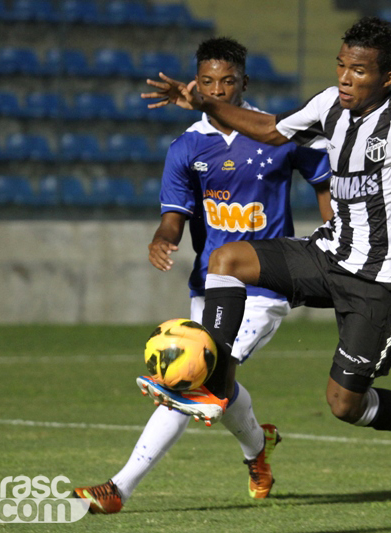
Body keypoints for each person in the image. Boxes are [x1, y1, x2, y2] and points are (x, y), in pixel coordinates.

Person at [140, 16, 391, 492]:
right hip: (329, 254)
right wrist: (206, 102)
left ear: (386, 78)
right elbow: (270, 130)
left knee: (344, 405)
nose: (345, 79)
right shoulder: (330, 103)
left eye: (359, 71)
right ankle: (212, 377)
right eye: (341, 66)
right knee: (227, 259)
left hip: (381, 281)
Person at [73, 36, 332, 514]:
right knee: (217, 382)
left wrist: (332, 236)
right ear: (196, 83)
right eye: (208, 82)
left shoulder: (276, 135)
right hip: (211, 285)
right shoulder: (187, 146)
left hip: (267, 286)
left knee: (190, 377)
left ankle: (118, 489)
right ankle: (259, 449)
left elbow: (323, 179)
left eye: (227, 82)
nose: (217, 90)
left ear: (244, 83)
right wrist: (162, 237)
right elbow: (175, 215)